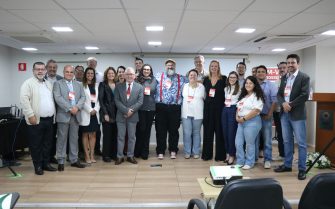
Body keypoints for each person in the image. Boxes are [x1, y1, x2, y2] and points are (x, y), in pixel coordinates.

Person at [274, 54, 310, 180]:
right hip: (285, 114)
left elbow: (305, 95)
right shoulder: (284, 78)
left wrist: (290, 104)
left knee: (301, 143)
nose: (290, 65)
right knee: (287, 141)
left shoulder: (304, 77)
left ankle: (302, 169)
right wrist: (283, 103)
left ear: (298, 64)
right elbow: (279, 95)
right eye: (288, 62)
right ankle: (287, 165)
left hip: (298, 115)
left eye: (292, 62)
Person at [20, 62, 57, 175]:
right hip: (36, 120)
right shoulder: (28, 84)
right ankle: (38, 166)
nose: (40, 71)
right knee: (36, 145)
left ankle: (46, 164)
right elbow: (24, 100)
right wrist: (30, 115)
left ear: (45, 71)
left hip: (49, 119)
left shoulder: (48, 83)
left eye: (42, 69)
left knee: (47, 144)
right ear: (33, 71)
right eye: (37, 69)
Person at [53, 65, 86, 171]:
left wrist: (77, 107)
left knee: (74, 139)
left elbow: (83, 97)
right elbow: (58, 98)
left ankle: (74, 159)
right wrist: (69, 108)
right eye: (67, 72)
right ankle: (61, 161)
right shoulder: (57, 84)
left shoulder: (78, 84)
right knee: (62, 139)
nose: (69, 74)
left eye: (71, 72)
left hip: (76, 115)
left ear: (74, 73)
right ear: (63, 72)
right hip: (64, 115)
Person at [155, 59, 188, 159]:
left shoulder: (182, 78)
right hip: (161, 107)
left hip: (175, 108)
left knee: (174, 130)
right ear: (165, 66)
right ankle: (160, 151)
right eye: (168, 65)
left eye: (172, 65)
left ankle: (173, 150)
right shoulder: (158, 76)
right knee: (160, 130)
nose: (170, 67)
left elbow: (194, 82)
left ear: (175, 66)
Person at [114, 67, 144, 165]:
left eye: (131, 74)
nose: (129, 76)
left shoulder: (139, 87)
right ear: (124, 75)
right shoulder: (118, 86)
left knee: (132, 137)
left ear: (134, 76)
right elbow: (116, 101)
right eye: (128, 74)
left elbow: (140, 102)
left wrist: (131, 110)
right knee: (120, 137)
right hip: (121, 115)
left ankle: (130, 156)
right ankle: (120, 156)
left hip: (133, 115)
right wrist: (126, 111)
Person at [235, 76, 264, 170]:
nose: (248, 85)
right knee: (238, 143)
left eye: (250, 83)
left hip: (252, 122)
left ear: (255, 85)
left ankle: (249, 162)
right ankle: (240, 161)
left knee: (249, 143)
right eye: (246, 83)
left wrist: (243, 119)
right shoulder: (243, 95)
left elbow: (256, 111)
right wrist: (237, 117)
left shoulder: (257, 96)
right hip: (241, 122)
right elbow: (238, 108)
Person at [202, 60, 227, 161]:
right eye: (212, 66)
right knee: (208, 132)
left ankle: (220, 156)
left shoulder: (224, 79)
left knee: (219, 132)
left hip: (220, 109)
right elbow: (203, 94)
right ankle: (207, 155)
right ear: (209, 67)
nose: (214, 68)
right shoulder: (206, 79)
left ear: (218, 67)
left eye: (215, 66)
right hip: (208, 109)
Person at [255, 65, 278, 169]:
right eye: (258, 71)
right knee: (254, 139)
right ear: (256, 73)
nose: (260, 73)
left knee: (267, 139)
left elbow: (274, 101)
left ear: (266, 73)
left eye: (262, 71)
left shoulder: (271, 85)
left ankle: (267, 159)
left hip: (266, 116)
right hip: (254, 116)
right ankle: (254, 159)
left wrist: (269, 114)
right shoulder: (253, 84)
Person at [134, 64, 157, 160]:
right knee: (139, 131)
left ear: (150, 71)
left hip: (150, 109)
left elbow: (151, 89)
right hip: (140, 108)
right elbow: (135, 90)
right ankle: (137, 151)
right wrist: (141, 89)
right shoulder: (137, 79)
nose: (146, 71)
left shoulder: (154, 80)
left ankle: (145, 152)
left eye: (148, 69)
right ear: (142, 70)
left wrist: (141, 88)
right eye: (144, 69)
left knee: (147, 131)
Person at [181, 69, 205, 159]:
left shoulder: (201, 87)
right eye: (191, 75)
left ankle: (196, 152)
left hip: (198, 114)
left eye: (194, 75)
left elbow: (204, 98)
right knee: (187, 133)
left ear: (197, 76)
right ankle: (187, 152)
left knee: (196, 133)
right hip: (186, 113)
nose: (192, 76)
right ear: (188, 76)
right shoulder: (184, 86)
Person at [80, 67, 100, 164]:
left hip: (95, 114)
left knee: (93, 134)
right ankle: (86, 155)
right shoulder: (81, 85)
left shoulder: (97, 85)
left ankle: (92, 155)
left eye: (92, 73)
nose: (90, 75)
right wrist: (89, 110)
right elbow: (81, 100)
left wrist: (95, 109)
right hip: (85, 113)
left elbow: (99, 100)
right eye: (88, 73)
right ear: (85, 74)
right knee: (85, 135)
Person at [44, 59, 62, 164]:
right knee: (46, 137)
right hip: (46, 112)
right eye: (50, 67)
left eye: (54, 67)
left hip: (59, 112)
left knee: (55, 136)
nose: (52, 69)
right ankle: (45, 158)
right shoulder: (42, 79)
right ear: (46, 68)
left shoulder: (61, 79)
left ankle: (51, 156)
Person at [98, 67, 118, 162]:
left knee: (115, 135)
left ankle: (114, 154)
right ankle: (106, 155)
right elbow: (101, 100)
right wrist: (105, 113)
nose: (111, 75)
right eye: (109, 73)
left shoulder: (118, 84)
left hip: (117, 113)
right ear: (106, 74)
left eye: (112, 73)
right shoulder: (102, 84)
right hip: (107, 113)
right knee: (107, 135)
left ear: (115, 74)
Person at [221, 71, 241, 165]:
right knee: (225, 133)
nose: (232, 79)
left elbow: (241, 103)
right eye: (230, 77)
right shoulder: (226, 88)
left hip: (233, 110)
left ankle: (232, 155)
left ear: (237, 79)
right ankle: (228, 153)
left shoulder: (240, 89)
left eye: (234, 77)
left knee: (231, 134)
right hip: (225, 109)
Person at [86, 57, 103, 156]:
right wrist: (89, 109)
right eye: (90, 62)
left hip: (97, 107)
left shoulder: (100, 75)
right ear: (87, 64)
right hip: (86, 109)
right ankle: (85, 152)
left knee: (97, 131)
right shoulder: (85, 76)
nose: (92, 64)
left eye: (94, 62)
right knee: (85, 132)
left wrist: (96, 108)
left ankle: (96, 149)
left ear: (96, 64)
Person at [273, 61, 288, 160]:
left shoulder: (290, 81)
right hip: (277, 111)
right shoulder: (276, 82)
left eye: (284, 68)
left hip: (287, 111)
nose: (281, 70)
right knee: (280, 133)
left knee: (287, 134)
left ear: (287, 68)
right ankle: (282, 154)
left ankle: (288, 154)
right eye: (280, 68)